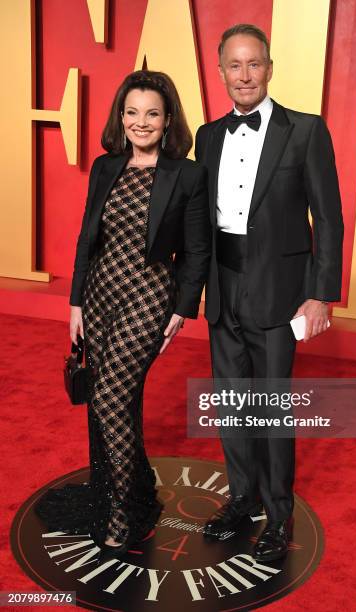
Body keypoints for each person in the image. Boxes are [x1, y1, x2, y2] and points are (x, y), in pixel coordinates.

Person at [35, 70, 211, 559]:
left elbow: (197, 251)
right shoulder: (104, 167)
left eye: (152, 113)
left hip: (150, 295)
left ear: (168, 118)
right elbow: (87, 239)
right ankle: (134, 484)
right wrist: (74, 301)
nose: (140, 122)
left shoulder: (188, 174)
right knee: (112, 397)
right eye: (131, 112)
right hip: (100, 292)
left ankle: (123, 512)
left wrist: (182, 307)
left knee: (112, 391)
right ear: (121, 117)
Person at [195, 24, 343, 562]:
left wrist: (320, 294)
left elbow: (328, 218)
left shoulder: (305, 130)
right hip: (223, 288)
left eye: (253, 64)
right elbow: (200, 223)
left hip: (281, 293)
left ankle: (278, 515)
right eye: (234, 66)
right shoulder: (208, 136)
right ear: (221, 72)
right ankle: (241, 501)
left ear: (270, 67)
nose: (244, 75)